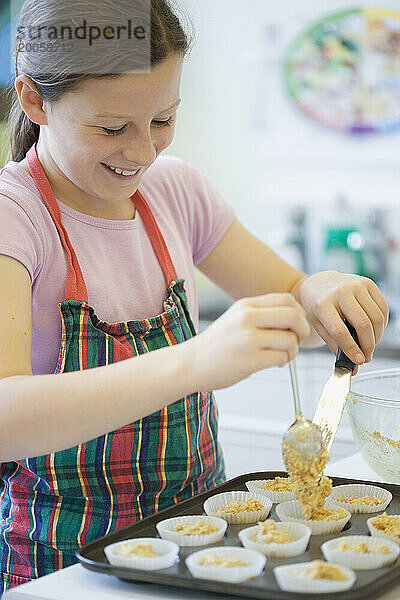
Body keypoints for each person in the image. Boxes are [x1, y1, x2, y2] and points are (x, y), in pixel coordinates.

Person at [0, 0, 389, 593]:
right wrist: (193, 362)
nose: (141, 152)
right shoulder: (15, 218)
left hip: (207, 546)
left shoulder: (174, 191)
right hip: (66, 564)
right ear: (33, 100)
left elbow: (290, 299)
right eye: (110, 128)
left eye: (163, 120)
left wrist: (320, 290)